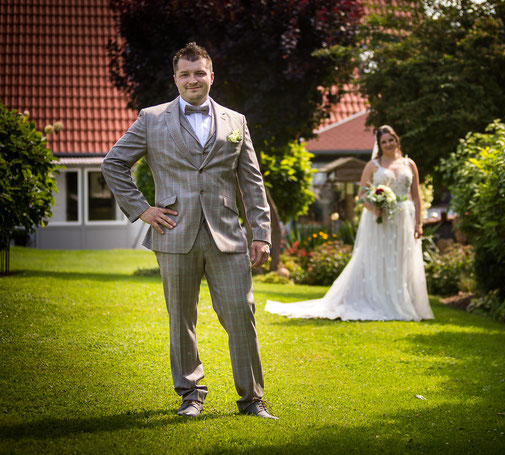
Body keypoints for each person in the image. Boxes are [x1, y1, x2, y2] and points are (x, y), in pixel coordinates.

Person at [101, 42, 277, 419]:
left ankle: (252, 399)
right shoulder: (151, 118)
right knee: (181, 319)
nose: (193, 79)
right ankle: (191, 395)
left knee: (240, 315)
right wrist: (143, 209)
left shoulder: (236, 121)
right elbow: (114, 163)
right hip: (174, 234)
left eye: (199, 73)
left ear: (211, 76)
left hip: (227, 236)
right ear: (175, 79)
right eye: (185, 74)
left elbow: (252, 182)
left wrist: (261, 232)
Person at [264, 125, 434, 321]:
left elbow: (416, 196)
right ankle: (380, 300)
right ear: (379, 144)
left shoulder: (409, 164)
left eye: (391, 140)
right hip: (381, 219)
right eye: (384, 141)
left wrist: (419, 223)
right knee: (380, 258)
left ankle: (404, 301)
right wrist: (375, 207)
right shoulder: (373, 166)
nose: (388, 144)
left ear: (397, 140)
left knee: (402, 259)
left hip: (404, 218)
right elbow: (361, 195)